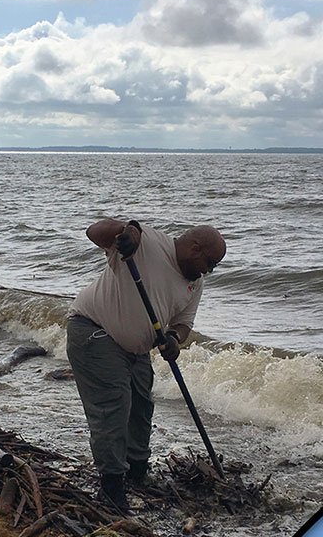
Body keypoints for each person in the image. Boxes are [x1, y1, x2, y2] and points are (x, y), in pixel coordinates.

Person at [67, 218, 226, 513]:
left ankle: (137, 473)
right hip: (94, 331)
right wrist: (126, 232)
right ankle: (112, 488)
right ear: (195, 247)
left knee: (141, 407)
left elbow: (183, 324)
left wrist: (173, 339)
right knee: (114, 406)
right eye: (210, 262)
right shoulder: (148, 243)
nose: (209, 270)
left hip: (137, 349)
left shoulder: (195, 283)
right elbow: (94, 232)